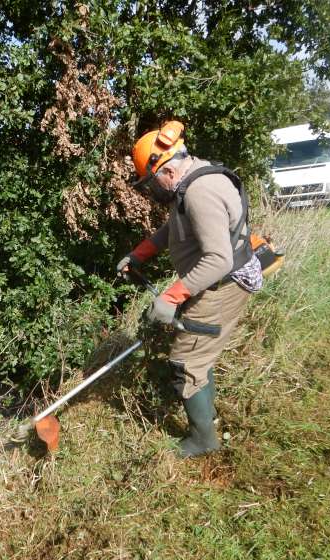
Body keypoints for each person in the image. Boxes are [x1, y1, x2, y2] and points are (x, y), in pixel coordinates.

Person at [117, 120, 263, 457]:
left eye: (150, 183)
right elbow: (175, 227)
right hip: (215, 282)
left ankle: (202, 440)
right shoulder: (192, 178)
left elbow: (219, 260)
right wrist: (139, 254)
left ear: (166, 171)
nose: (151, 192)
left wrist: (171, 296)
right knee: (200, 354)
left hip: (223, 285)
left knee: (185, 361)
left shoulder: (199, 192)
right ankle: (207, 417)